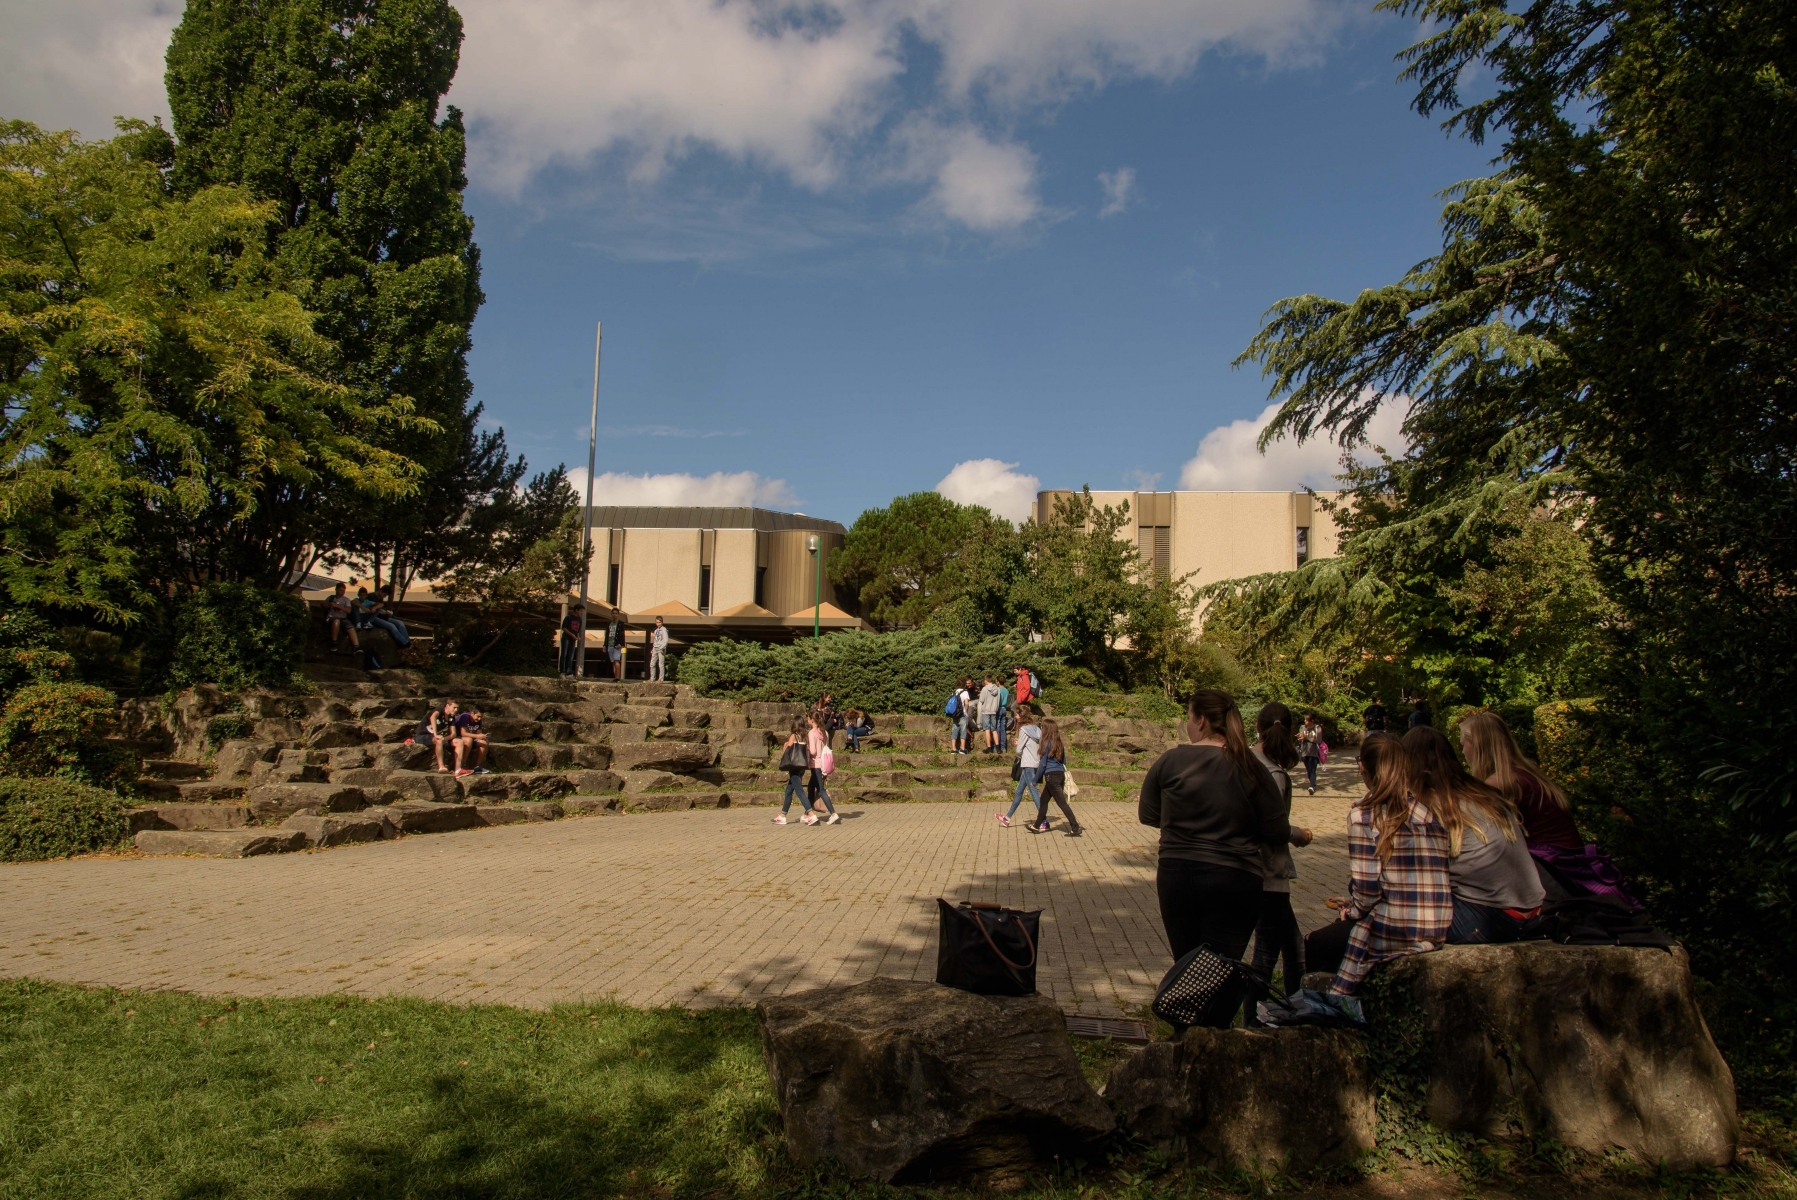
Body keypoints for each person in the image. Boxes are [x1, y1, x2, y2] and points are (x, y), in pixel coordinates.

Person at [1139, 689, 1291, 983]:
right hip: (1236, 878)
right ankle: (1214, 1026)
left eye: (1188, 717)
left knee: (1186, 965)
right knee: (1220, 970)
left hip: (1178, 873)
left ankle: (1187, 1025)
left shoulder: (1169, 762)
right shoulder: (1252, 767)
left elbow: (1148, 815)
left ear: (1201, 721)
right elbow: (1277, 831)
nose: (1187, 724)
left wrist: (1183, 822)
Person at [1304, 732, 1451, 995]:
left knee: (1316, 943)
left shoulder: (1363, 816)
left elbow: (1368, 891)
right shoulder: (1426, 811)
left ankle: (1330, 1014)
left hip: (1398, 926)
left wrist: (1350, 912)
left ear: (1363, 767)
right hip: (1436, 922)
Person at [1404, 726, 1544, 945]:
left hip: (1487, 914)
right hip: (1529, 911)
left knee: (1388, 917)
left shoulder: (1431, 808)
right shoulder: (1483, 794)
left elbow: (1416, 875)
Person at [1244, 702, 1314, 1023]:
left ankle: (1290, 1008)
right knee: (1269, 953)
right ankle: (1255, 1019)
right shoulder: (1275, 774)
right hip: (1268, 873)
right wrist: (1296, 832)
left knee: (1292, 945)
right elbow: (1271, 827)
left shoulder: (1242, 761)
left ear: (1257, 728)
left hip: (1247, 868)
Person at [1457, 711, 1582, 850]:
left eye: (1463, 745)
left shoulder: (1500, 783)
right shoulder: (1526, 772)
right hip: (1570, 858)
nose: (1462, 752)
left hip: (1551, 861)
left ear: (1478, 746)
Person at [1033, 718, 1083, 836]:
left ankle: (1075, 827)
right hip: (1060, 775)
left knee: (1062, 803)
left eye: (1042, 727)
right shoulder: (1059, 743)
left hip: (1051, 776)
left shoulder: (1045, 743)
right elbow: (1064, 760)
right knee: (1043, 800)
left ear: (1046, 729)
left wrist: (1035, 779)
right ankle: (1036, 825)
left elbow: (1043, 764)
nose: (1041, 729)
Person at [999, 706, 1044, 827]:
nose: (1015, 716)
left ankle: (1043, 819)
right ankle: (1007, 817)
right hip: (1035, 761)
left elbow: (1019, 750)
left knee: (1033, 790)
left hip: (1027, 762)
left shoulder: (1024, 730)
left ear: (1021, 716)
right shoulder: (1036, 728)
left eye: (1017, 714)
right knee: (1019, 790)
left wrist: (1018, 743)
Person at [804, 713, 842, 825]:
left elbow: (813, 751)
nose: (807, 720)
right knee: (811, 787)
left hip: (815, 764)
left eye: (808, 718)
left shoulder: (811, 733)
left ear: (811, 720)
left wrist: (806, 749)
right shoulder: (824, 732)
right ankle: (807, 812)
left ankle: (833, 813)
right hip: (823, 764)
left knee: (820, 790)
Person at [775, 718, 811, 825]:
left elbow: (787, 752)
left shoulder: (794, 736)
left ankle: (810, 813)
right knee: (788, 791)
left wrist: (785, 745)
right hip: (802, 767)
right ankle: (783, 815)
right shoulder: (805, 737)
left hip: (794, 767)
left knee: (799, 791)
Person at [413, 700, 459, 772]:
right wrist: (435, 734)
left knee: (459, 742)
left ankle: (458, 769)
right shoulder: (440, 710)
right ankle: (441, 766)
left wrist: (444, 738)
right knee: (438, 740)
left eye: (457, 708)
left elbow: (453, 734)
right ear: (447, 706)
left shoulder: (451, 717)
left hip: (435, 737)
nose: (456, 710)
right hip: (422, 735)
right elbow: (433, 717)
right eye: (454, 707)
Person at [452, 706, 489, 777]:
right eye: (478, 716)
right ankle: (463, 765)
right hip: (459, 737)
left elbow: (478, 733)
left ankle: (477, 766)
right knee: (468, 740)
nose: (479, 719)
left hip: (472, 738)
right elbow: (463, 733)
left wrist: (483, 736)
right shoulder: (465, 717)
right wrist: (478, 736)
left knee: (484, 743)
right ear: (472, 713)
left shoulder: (478, 720)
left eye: (481, 717)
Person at [325, 582, 359, 653]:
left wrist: (338, 606)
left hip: (343, 618)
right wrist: (326, 605)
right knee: (336, 621)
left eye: (343, 591)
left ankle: (356, 646)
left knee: (350, 627)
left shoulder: (346, 600)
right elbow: (324, 605)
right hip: (332, 617)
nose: (342, 592)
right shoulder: (330, 598)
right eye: (340, 590)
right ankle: (334, 642)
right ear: (336, 590)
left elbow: (348, 611)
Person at [1296, 713, 1324, 795]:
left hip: (1314, 752)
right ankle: (1312, 783)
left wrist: (1307, 738)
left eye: (1306, 720)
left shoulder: (1317, 728)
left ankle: (1312, 786)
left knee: (1312, 770)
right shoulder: (1302, 727)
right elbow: (1301, 736)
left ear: (1311, 720)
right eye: (1304, 720)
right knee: (1308, 770)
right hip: (1304, 752)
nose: (1305, 721)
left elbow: (1318, 740)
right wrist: (1299, 736)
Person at [949, 677, 975, 755]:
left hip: (955, 714)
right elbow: (966, 703)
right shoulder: (965, 692)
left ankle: (953, 749)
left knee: (955, 730)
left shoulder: (955, 692)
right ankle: (962, 749)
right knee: (963, 730)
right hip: (962, 714)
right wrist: (966, 712)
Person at [977, 675, 1002, 754]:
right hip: (994, 711)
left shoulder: (984, 689)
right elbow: (998, 700)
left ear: (986, 680)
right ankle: (998, 748)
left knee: (987, 729)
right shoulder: (997, 689)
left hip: (986, 711)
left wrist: (981, 695)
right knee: (994, 729)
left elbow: (981, 700)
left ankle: (989, 747)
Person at [560, 606, 585, 678]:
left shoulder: (579, 619)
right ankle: (562, 672)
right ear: (576, 610)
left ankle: (569, 672)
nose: (581, 613)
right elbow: (564, 628)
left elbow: (577, 630)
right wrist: (571, 635)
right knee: (564, 654)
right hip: (566, 638)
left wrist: (577, 636)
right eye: (580, 611)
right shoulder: (568, 618)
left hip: (573, 639)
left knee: (570, 656)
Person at [606, 612, 628, 681]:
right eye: (613, 613)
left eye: (616, 613)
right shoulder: (609, 624)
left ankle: (618, 677)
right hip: (610, 644)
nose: (614, 614)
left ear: (618, 614)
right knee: (613, 661)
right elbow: (606, 635)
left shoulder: (620, 624)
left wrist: (621, 644)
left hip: (617, 645)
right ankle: (615, 677)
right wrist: (605, 645)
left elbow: (622, 635)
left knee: (616, 660)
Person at [648, 616, 669, 682]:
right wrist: (653, 648)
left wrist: (662, 647)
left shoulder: (664, 629)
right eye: (657, 622)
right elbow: (655, 640)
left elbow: (666, 640)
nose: (658, 624)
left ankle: (660, 679)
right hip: (655, 648)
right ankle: (652, 678)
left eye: (660, 622)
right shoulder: (656, 631)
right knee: (652, 664)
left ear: (662, 622)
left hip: (661, 648)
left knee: (661, 664)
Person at [996, 678, 1011, 754]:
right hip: (1004, 709)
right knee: (1003, 728)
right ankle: (1003, 747)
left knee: (997, 728)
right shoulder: (1006, 690)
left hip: (998, 708)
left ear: (998, 682)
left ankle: (996, 747)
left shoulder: (997, 690)